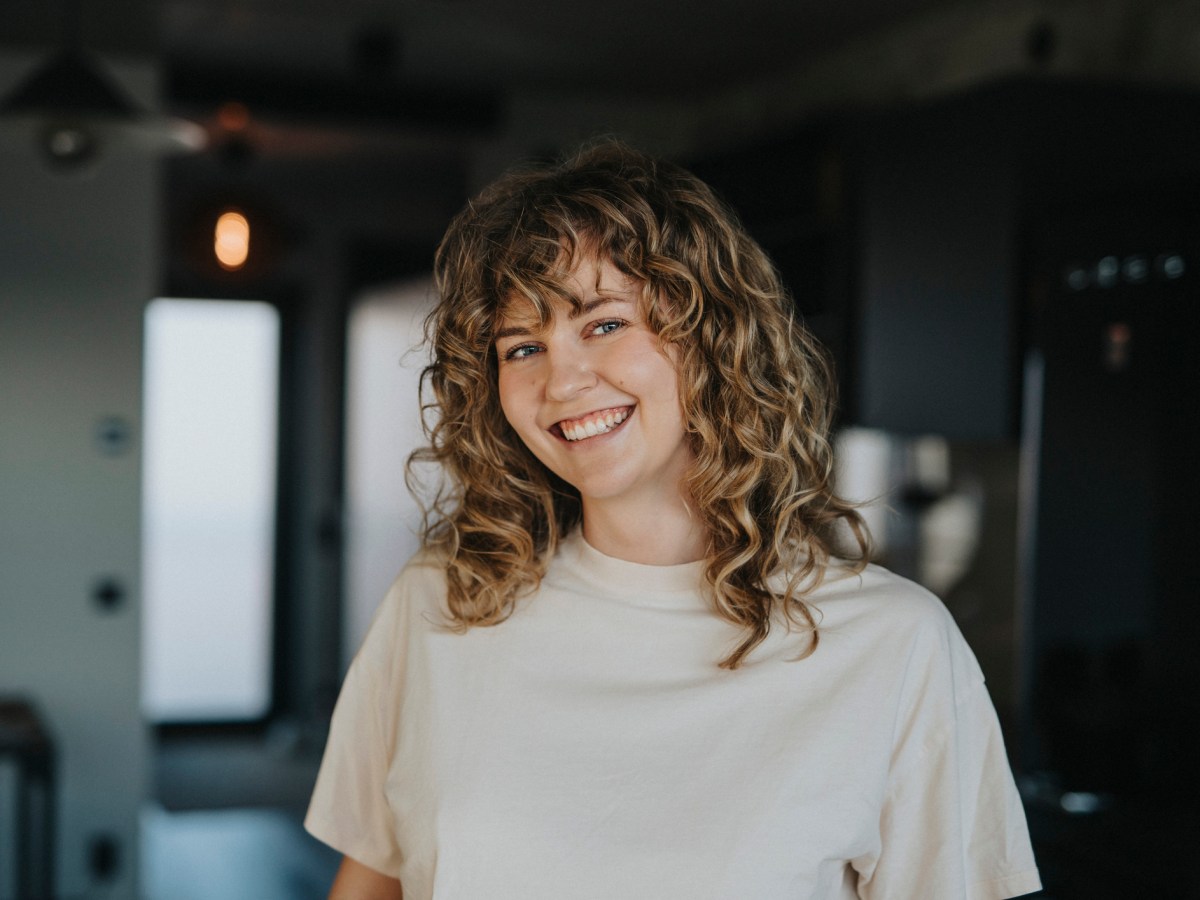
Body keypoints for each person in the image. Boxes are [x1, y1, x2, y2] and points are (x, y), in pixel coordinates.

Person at [305, 141, 1041, 899]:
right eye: (522, 347)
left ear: (712, 336)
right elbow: (373, 881)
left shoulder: (896, 646)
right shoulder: (441, 602)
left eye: (603, 324)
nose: (561, 381)